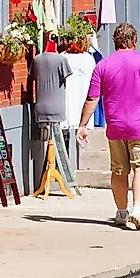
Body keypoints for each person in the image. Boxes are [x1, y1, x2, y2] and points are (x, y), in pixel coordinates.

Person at [81, 22, 140, 232]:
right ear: (134, 41)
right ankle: (138, 209)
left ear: (115, 42)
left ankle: (121, 212)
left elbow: (92, 98)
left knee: (119, 170)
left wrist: (83, 125)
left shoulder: (102, 65)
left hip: (116, 127)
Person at [32, 35, 92, 190]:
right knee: (57, 140)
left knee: (47, 140)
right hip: (57, 106)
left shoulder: (37, 59)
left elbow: (31, 79)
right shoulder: (61, 60)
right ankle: (57, 173)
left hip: (40, 105)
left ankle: (49, 173)